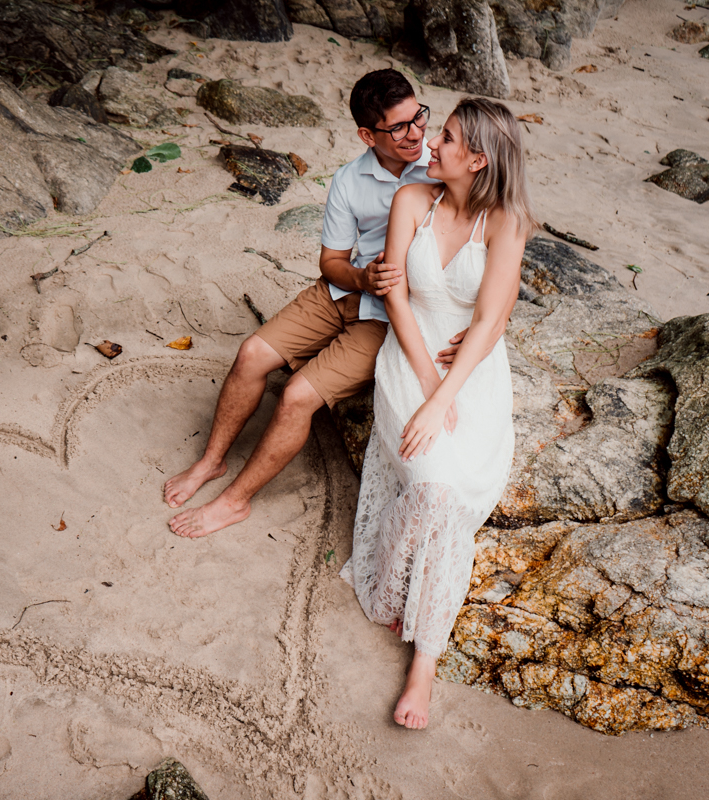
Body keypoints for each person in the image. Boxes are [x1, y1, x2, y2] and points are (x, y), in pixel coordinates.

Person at [164, 69, 453, 538]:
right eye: (399, 127)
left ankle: (235, 501)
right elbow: (332, 262)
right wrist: (360, 277)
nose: (416, 133)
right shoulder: (349, 180)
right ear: (367, 134)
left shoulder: (440, 169)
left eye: (418, 117)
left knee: (297, 395)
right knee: (251, 355)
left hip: (387, 316)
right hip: (342, 290)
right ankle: (211, 462)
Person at [340, 97, 536, 729]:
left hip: (472, 374)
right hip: (411, 356)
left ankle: (424, 665)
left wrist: (448, 393)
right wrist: (426, 381)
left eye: (447, 138)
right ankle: (393, 588)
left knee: (447, 498)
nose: (431, 142)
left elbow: (490, 319)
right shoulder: (412, 202)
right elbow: (393, 289)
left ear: (477, 160)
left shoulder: (509, 221)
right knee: (428, 485)